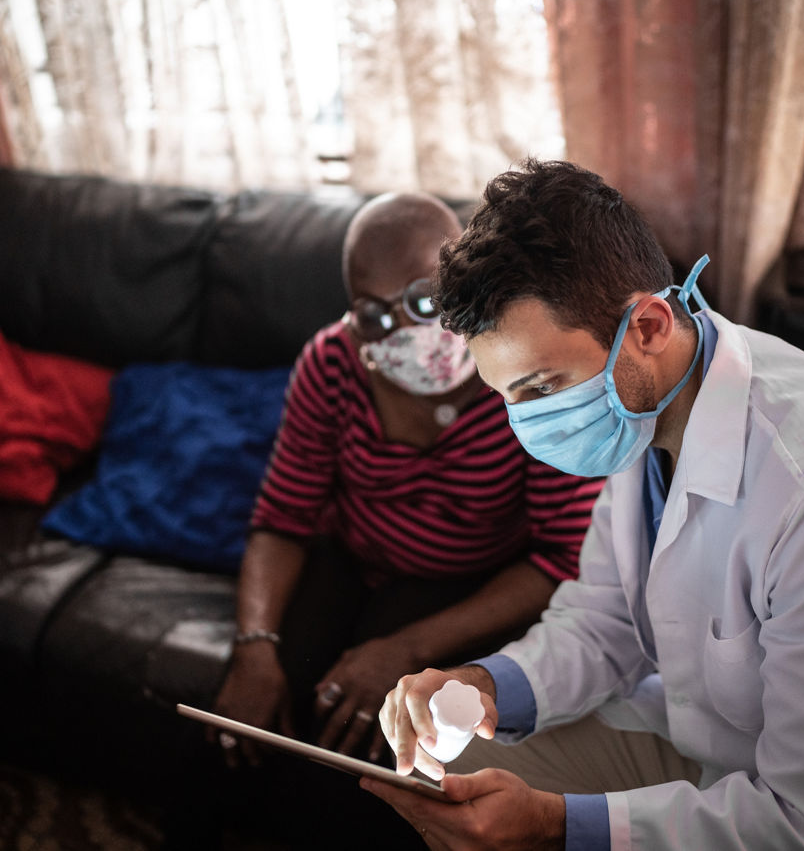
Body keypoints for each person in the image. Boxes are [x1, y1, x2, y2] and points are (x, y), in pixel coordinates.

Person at [365, 159, 804, 850]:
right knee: (449, 779)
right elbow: (605, 622)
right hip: (725, 741)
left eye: (542, 388)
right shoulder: (640, 402)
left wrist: (554, 826)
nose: (529, 424)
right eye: (507, 395)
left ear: (650, 326)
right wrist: (480, 686)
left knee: (512, 820)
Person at [207, 190, 604, 843]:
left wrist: (406, 647)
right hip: (352, 556)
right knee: (253, 720)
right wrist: (254, 645)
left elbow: (560, 560)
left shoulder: (522, 373)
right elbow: (282, 517)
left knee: (370, 733)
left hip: (468, 577)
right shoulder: (331, 363)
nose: (402, 331)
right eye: (373, 313)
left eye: (423, 300)